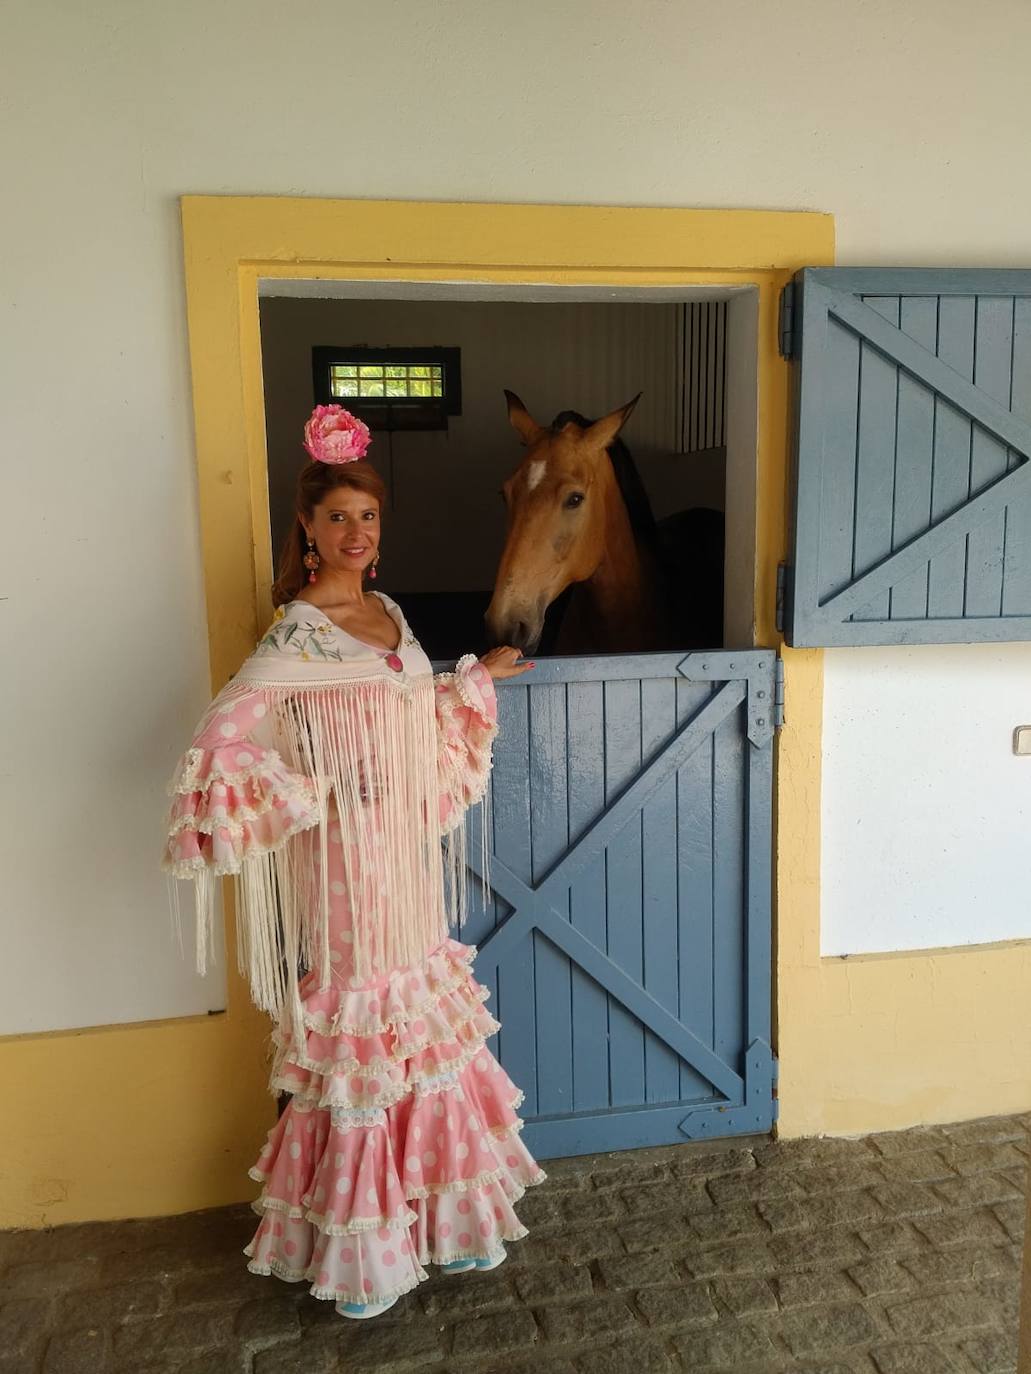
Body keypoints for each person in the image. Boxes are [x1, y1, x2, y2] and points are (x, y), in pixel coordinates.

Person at [163, 404, 545, 1319]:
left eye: (367, 517)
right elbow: (219, 741)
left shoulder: (386, 613)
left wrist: (473, 679)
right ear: (307, 527)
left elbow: (408, 712)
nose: (354, 532)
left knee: (414, 1020)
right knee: (363, 1035)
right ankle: (364, 1248)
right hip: (339, 870)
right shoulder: (296, 634)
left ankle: (439, 1222)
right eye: (336, 516)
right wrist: (307, 793)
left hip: (402, 866)